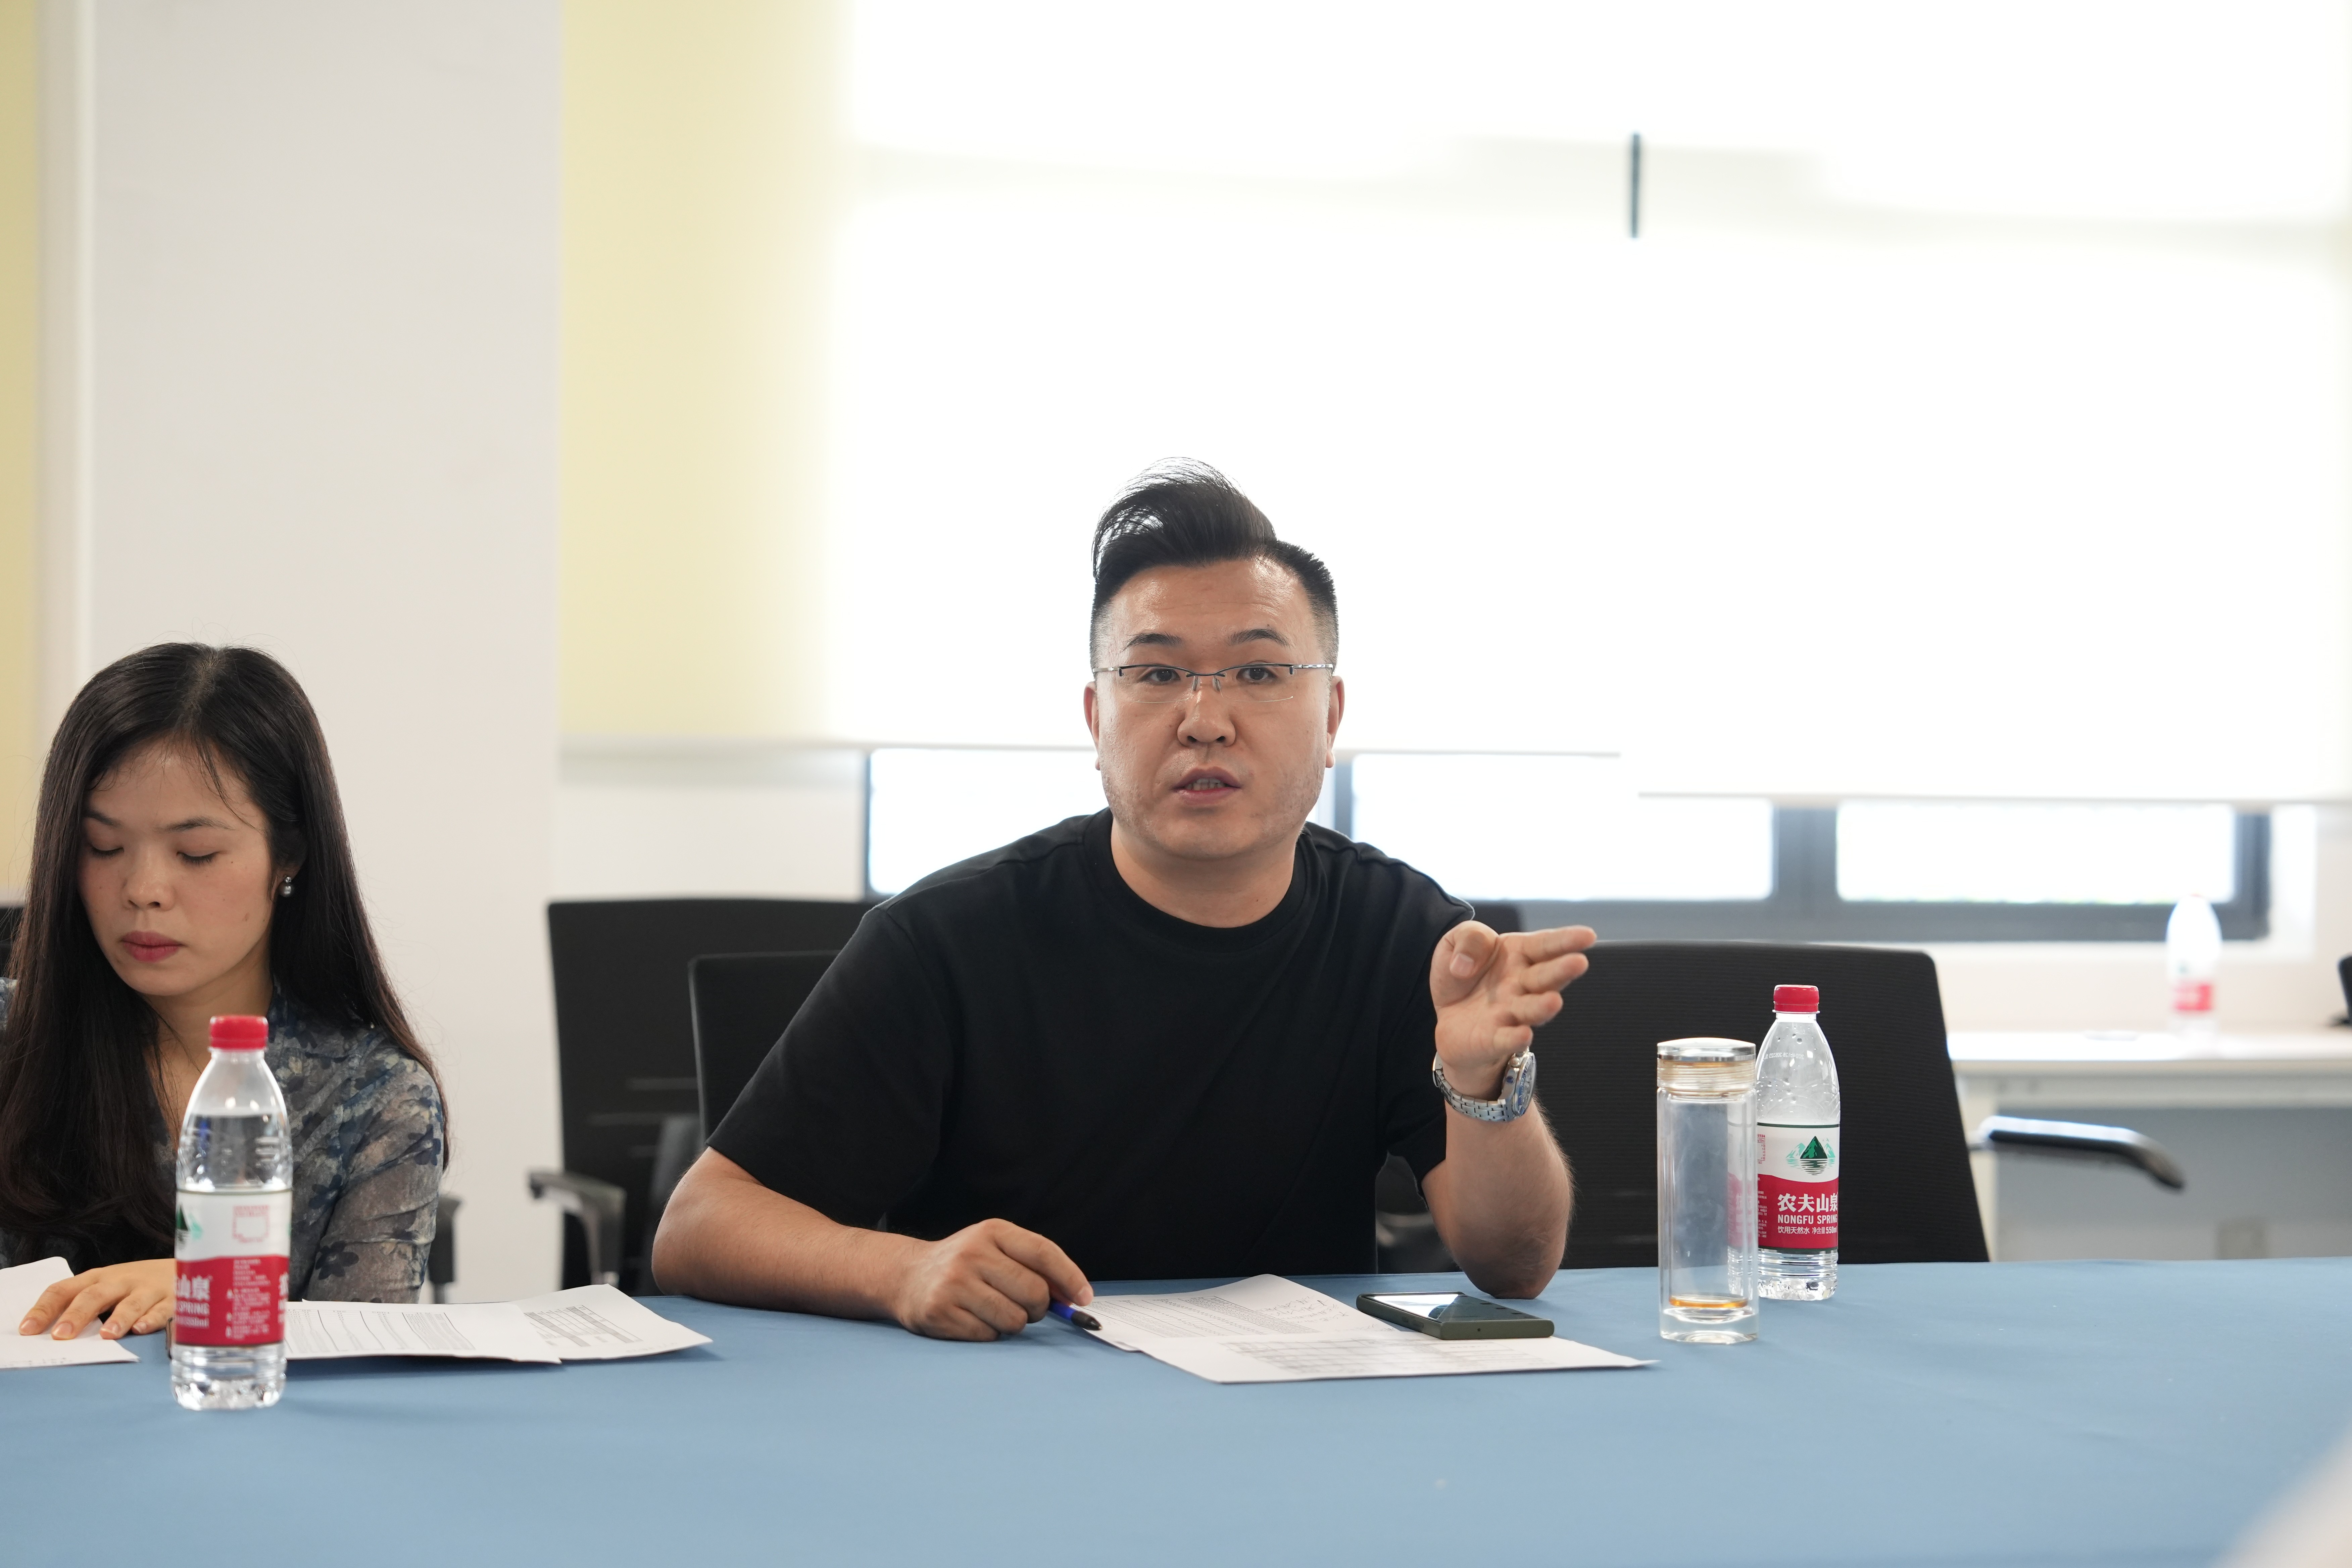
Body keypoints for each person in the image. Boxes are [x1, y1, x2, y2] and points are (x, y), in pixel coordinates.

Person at [655, 462, 1589, 1340]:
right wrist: (900, 1270)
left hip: (1296, 1409)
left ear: (1331, 716)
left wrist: (1481, 1086)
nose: (1206, 719)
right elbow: (699, 1224)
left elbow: (1514, 1267)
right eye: (1156, 674)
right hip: (1010, 1394)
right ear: (1097, 717)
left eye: (1260, 673)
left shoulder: (1405, 936)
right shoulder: (946, 939)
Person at [2, 643, 445, 1342]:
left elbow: (365, 1356)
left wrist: (213, 1288)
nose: (144, 889)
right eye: (103, 846)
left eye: (196, 853)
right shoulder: (14, 1042)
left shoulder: (374, 1098)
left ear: (288, 855)